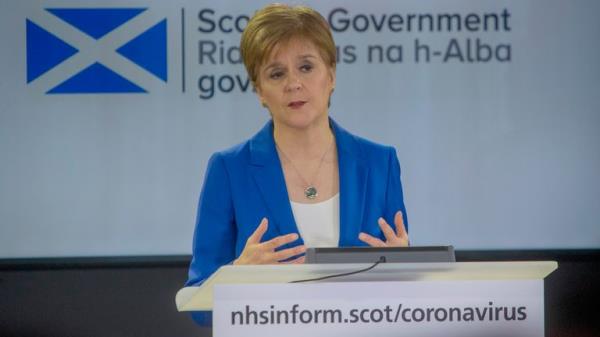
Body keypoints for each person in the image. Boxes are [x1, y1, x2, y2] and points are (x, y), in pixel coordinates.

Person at [185, 3, 409, 325]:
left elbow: (404, 302)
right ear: (259, 90)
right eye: (276, 73)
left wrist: (409, 270)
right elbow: (198, 306)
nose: (293, 84)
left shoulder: (379, 163)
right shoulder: (229, 169)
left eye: (306, 67)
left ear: (330, 75)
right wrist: (235, 276)